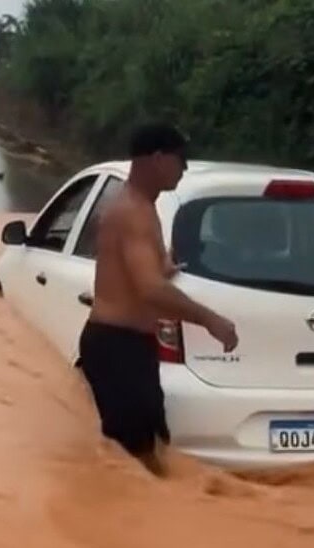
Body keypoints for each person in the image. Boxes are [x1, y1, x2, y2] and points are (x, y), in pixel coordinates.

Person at [78, 121, 238, 477]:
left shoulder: (143, 208)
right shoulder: (132, 212)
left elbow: (139, 274)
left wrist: (163, 267)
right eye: (181, 159)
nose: (184, 168)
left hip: (132, 348)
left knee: (151, 456)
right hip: (116, 348)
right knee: (136, 463)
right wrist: (210, 319)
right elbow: (149, 289)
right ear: (158, 158)